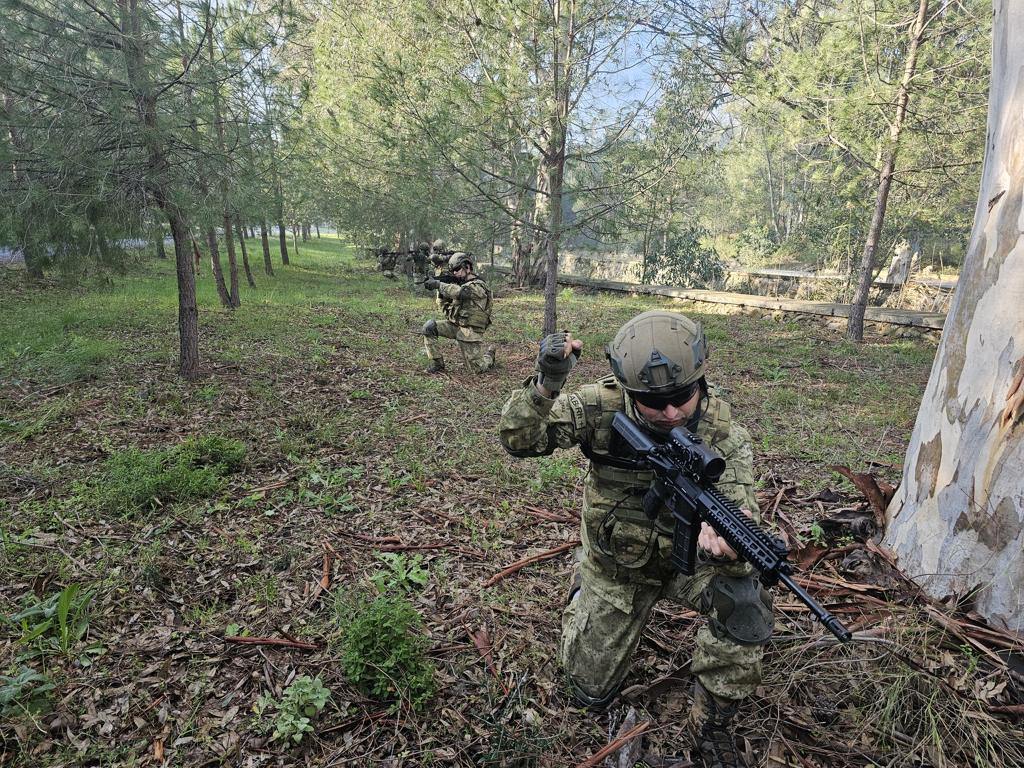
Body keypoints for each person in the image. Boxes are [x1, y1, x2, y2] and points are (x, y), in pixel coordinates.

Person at [497, 310, 772, 768]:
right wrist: (548, 381)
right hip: (617, 565)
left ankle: (710, 724)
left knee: (746, 604)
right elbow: (518, 438)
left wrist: (730, 547)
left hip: (687, 567)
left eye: (682, 396)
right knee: (587, 694)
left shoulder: (724, 433)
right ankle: (583, 586)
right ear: (628, 391)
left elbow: (744, 512)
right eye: (652, 401)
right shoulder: (599, 408)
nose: (670, 412)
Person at [421, 253, 495, 374]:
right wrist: (440, 294)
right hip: (456, 326)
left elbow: (461, 292)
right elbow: (446, 310)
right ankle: (437, 363)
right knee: (429, 327)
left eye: (456, 269)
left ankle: (490, 355)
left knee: (477, 369)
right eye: (452, 271)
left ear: (467, 267)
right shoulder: (460, 284)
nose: (455, 273)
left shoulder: (479, 286)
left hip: (471, 331)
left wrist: (439, 285)